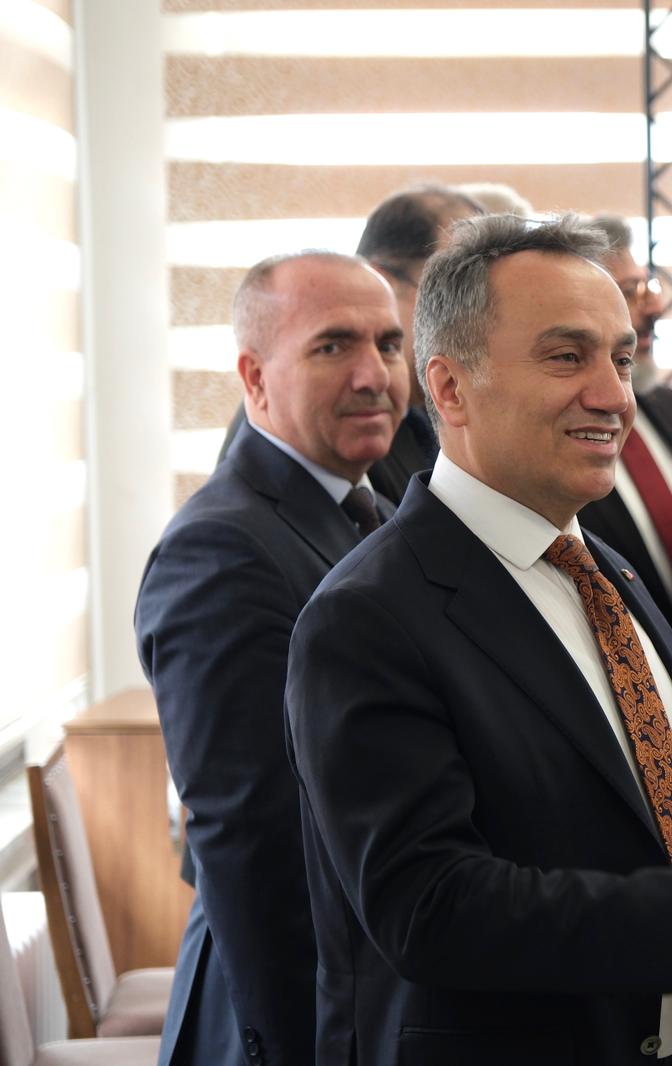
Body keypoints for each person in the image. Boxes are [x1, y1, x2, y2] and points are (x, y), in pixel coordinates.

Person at [284, 214, 672, 1066]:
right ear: (450, 389)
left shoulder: (605, 570)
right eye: (566, 357)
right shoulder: (365, 618)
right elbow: (429, 906)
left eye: (621, 358)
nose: (616, 395)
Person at [136, 252, 406, 1066]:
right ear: (254, 377)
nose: (374, 375)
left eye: (389, 344)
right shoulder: (220, 550)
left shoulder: (376, 510)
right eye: (333, 346)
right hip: (288, 1022)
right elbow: (252, 847)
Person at [217, 184, 484, 504]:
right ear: (381, 280)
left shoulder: (420, 417)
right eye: (458, 296)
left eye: (388, 347)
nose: (376, 378)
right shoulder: (310, 424)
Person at [577, 214, 672, 629]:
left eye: (648, 288)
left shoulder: (668, 408)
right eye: (630, 292)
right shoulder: (552, 442)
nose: (655, 308)